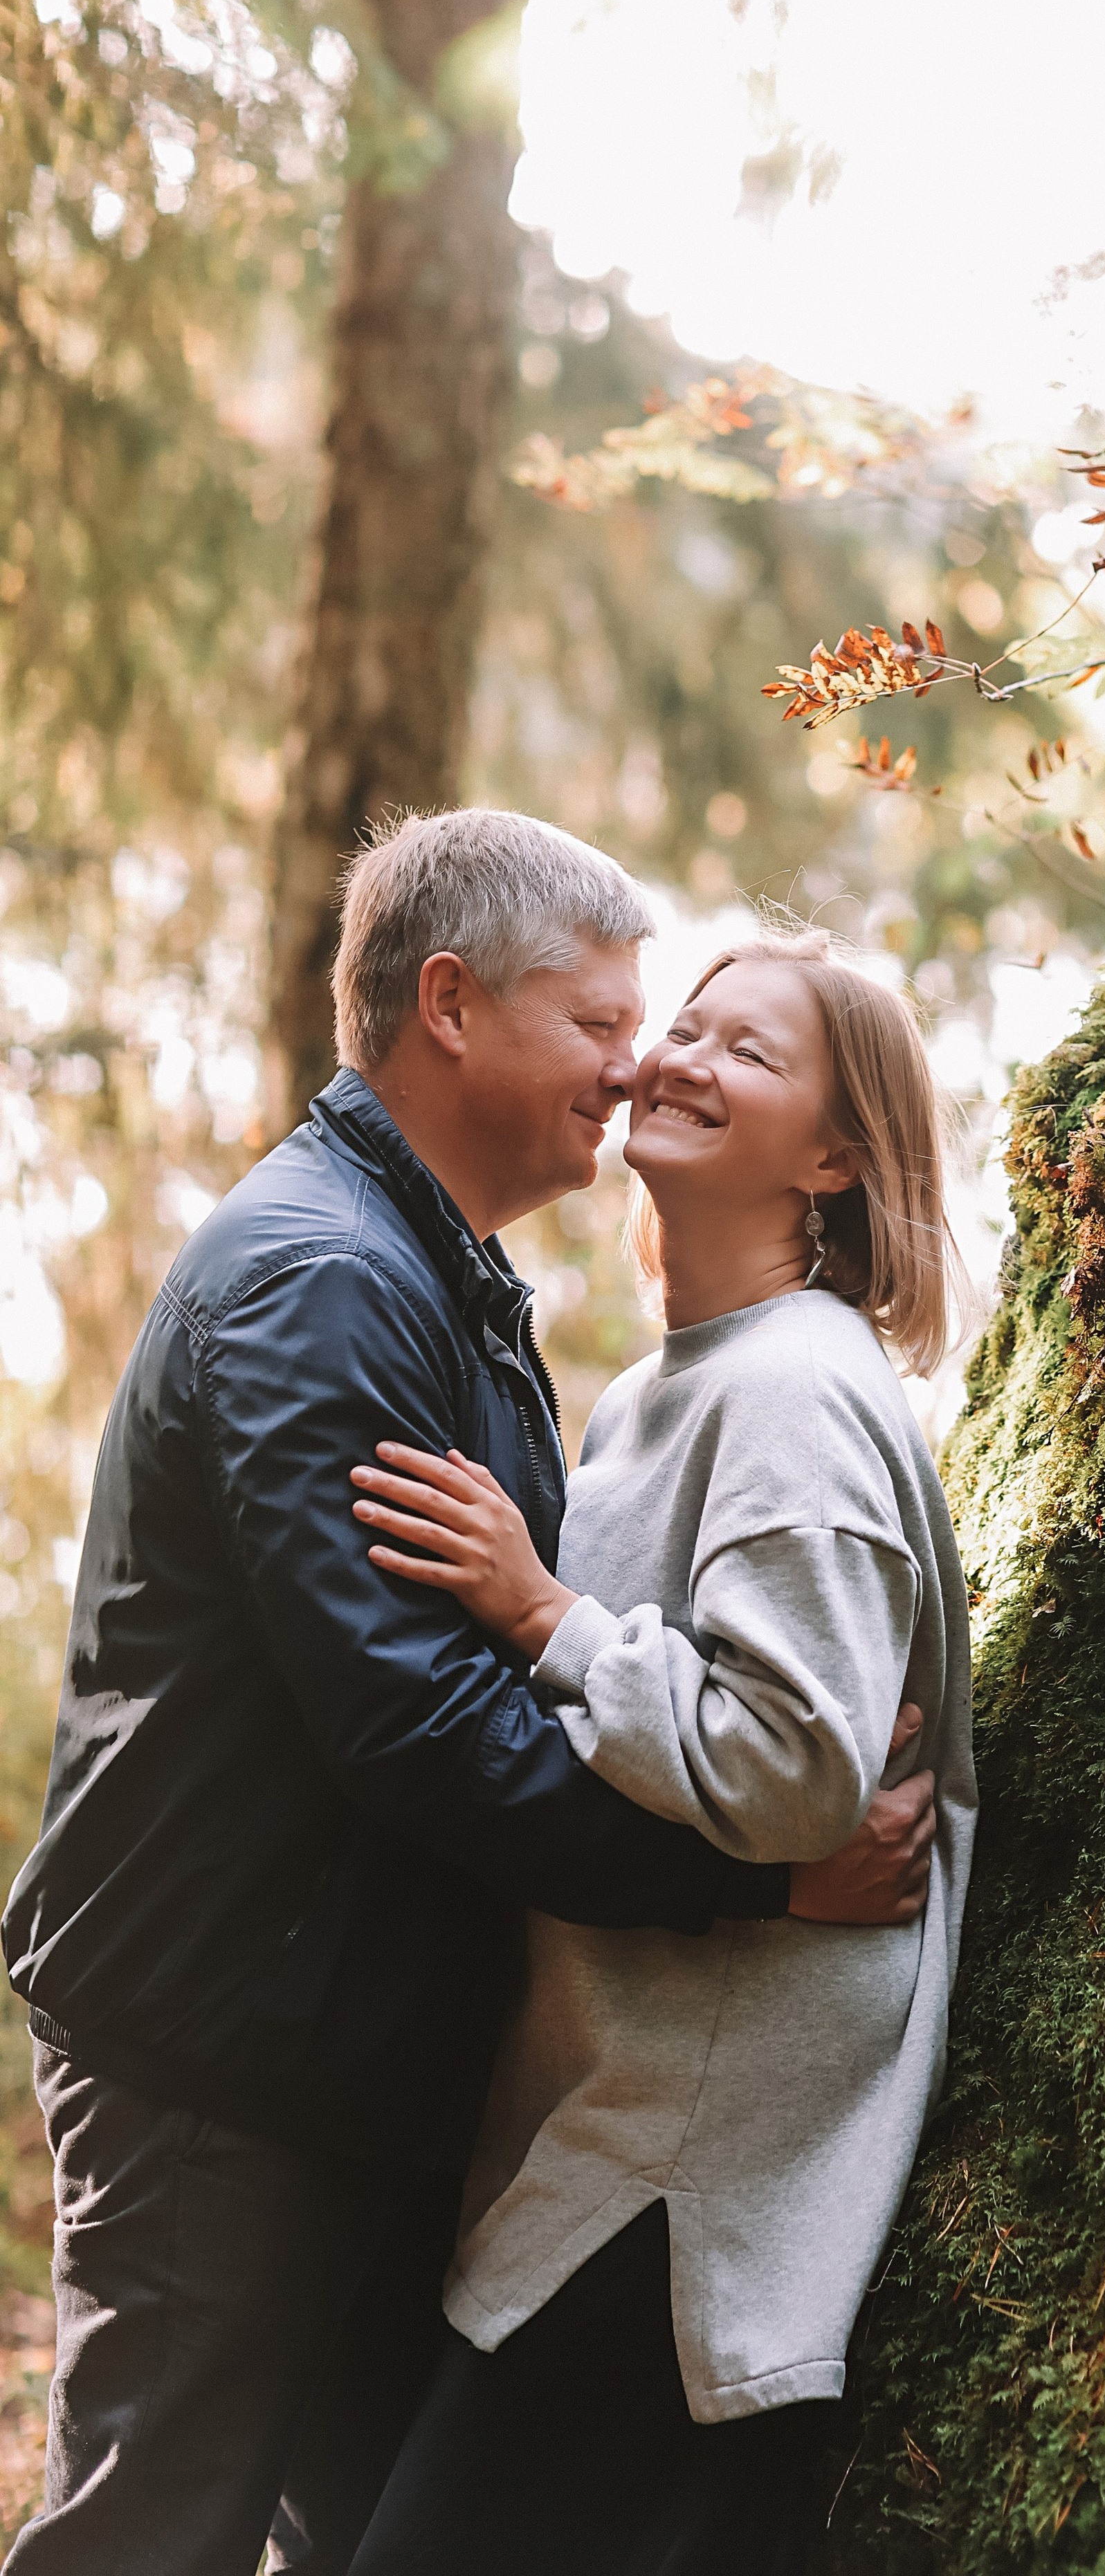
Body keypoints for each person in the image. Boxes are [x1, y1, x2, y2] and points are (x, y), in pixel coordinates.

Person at [1, 816, 934, 2576]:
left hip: (338, 2063)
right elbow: (422, 1725)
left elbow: (539, 1670)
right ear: (449, 1005)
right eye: (599, 1021)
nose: (632, 1058)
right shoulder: (323, 1285)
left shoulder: (431, 1271)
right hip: (231, 2064)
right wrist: (755, 1886)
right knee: (151, 2537)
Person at [342, 930, 976, 2576]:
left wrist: (544, 1616)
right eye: (682, 1028)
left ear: (835, 1158)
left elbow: (791, 1772)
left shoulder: (791, 1393)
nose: (680, 1058)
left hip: (680, 2204)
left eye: (747, 1054)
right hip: (604, 2134)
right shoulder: (656, 1394)